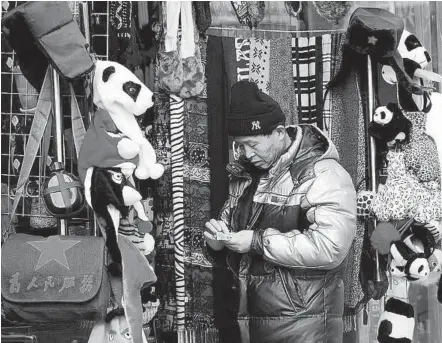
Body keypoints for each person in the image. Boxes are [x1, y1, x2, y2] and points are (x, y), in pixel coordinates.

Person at [204, 81, 357, 343]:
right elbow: (230, 230)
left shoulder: (322, 174)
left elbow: (330, 247)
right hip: (251, 325)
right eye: (240, 146)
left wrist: (256, 241)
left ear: (278, 132)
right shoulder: (245, 176)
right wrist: (218, 240)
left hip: (304, 328)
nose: (246, 153)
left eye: (252, 144)